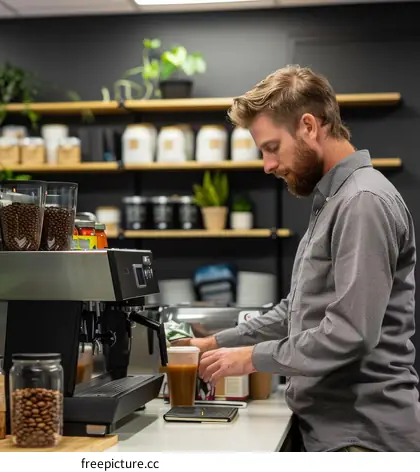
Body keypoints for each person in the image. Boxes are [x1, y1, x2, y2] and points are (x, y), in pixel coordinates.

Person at [177, 65, 420, 452]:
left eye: (272, 147)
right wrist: (218, 343)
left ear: (309, 126)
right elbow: (298, 309)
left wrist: (252, 358)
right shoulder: (335, 200)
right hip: (332, 429)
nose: (268, 165)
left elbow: (351, 333)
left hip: (362, 438)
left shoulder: (362, 202)